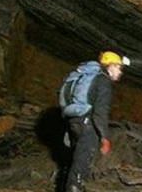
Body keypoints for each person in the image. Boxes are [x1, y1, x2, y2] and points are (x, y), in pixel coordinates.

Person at [59, 51, 130, 192]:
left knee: (74, 161)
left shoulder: (84, 77)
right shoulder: (103, 81)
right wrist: (104, 138)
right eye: (119, 67)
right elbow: (100, 113)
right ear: (110, 66)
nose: (120, 72)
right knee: (80, 166)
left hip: (73, 122)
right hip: (88, 125)